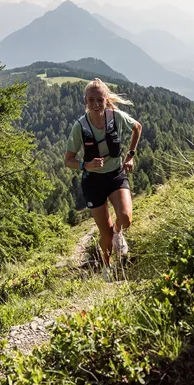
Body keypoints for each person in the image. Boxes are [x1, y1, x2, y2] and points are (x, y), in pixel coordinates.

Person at [64, 78, 142, 280]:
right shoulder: (80, 127)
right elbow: (68, 160)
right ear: (85, 101)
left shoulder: (115, 117)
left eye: (100, 99)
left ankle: (119, 233)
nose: (96, 104)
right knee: (104, 234)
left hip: (116, 175)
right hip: (93, 182)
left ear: (106, 100)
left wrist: (131, 155)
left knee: (125, 218)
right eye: (91, 100)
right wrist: (85, 165)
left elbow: (137, 127)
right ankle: (106, 267)